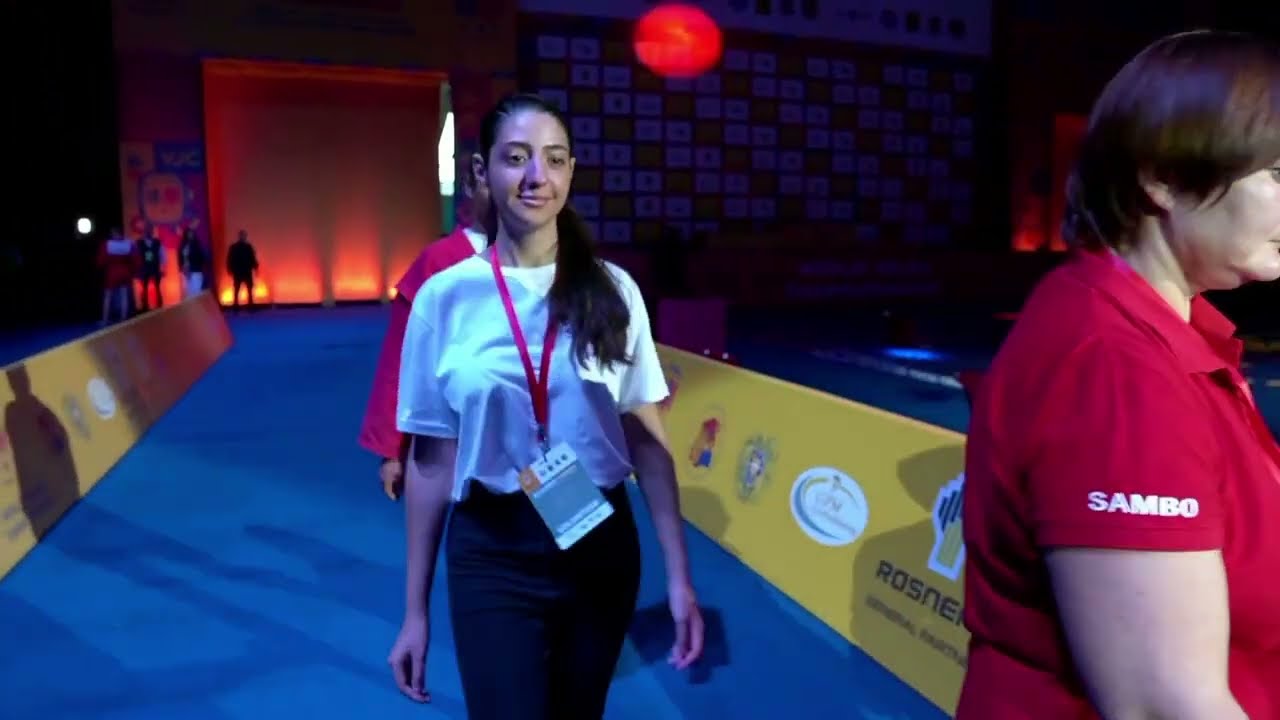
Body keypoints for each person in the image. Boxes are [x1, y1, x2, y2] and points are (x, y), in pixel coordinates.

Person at [958, 30, 1280, 720]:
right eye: (1279, 176)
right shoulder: (1115, 370)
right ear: (1162, 176)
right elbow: (1164, 705)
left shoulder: (1156, 329)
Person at [388, 93, 704, 719]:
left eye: (554, 159)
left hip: (598, 541)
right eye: (517, 158)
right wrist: (413, 612)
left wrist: (678, 577)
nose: (537, 175)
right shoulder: (443, 299)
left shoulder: (613, 292)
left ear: (571, 172)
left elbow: (647, 442)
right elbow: (431, 463)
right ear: (481, 171)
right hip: (492, 551)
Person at [358, 164, 491, 500]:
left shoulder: (545, 261)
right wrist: (392, 449)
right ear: (470, 184)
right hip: (453, 436)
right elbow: (400, 359)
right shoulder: (438, 261)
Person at [97, 228, 135, 325]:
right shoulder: (127, 244)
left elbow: (101, 260)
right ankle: (123, 318)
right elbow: (133, 258)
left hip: (112, 272)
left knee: (108, 295)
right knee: (124, 295)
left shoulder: (107, 245)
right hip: (124, 271)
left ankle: (105, 319)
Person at [226, 230, 258, 309]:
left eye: (244, 235)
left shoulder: (247, 247)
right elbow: (230, 258)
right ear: (239, 236)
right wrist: (229, 269)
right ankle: (236, 306)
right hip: (239, 271)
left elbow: (252, 257)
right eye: (242, 235)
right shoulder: (235, 247)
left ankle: (249, 305)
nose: (243, 237)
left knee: (248, 289)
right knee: (237, 289)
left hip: (245, 270)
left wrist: (255, 267)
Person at [136, 225, 164, 310]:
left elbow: (162, 255)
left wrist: (162, 268)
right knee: (144, 287)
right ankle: (144, 305)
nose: (149, 232)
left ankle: (160, 305)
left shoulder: (157, 242)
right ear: (144, 232)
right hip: (144, 267)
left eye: (151, 230)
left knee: (157, 287)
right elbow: (136, 255)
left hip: (155, 266)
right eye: (147, 230)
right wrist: (137, 269)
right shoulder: (139, 242)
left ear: (152, 232)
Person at [179, 227, 208, 299]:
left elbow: (201, 258)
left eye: (191, 234)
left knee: (196, 292)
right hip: (185, 272)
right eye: (188, 234)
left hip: (195, 271)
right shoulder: (183, 246)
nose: (190, 236)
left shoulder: (197, 246)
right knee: (187, 293)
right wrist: (183, 269)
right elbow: (180, 259)